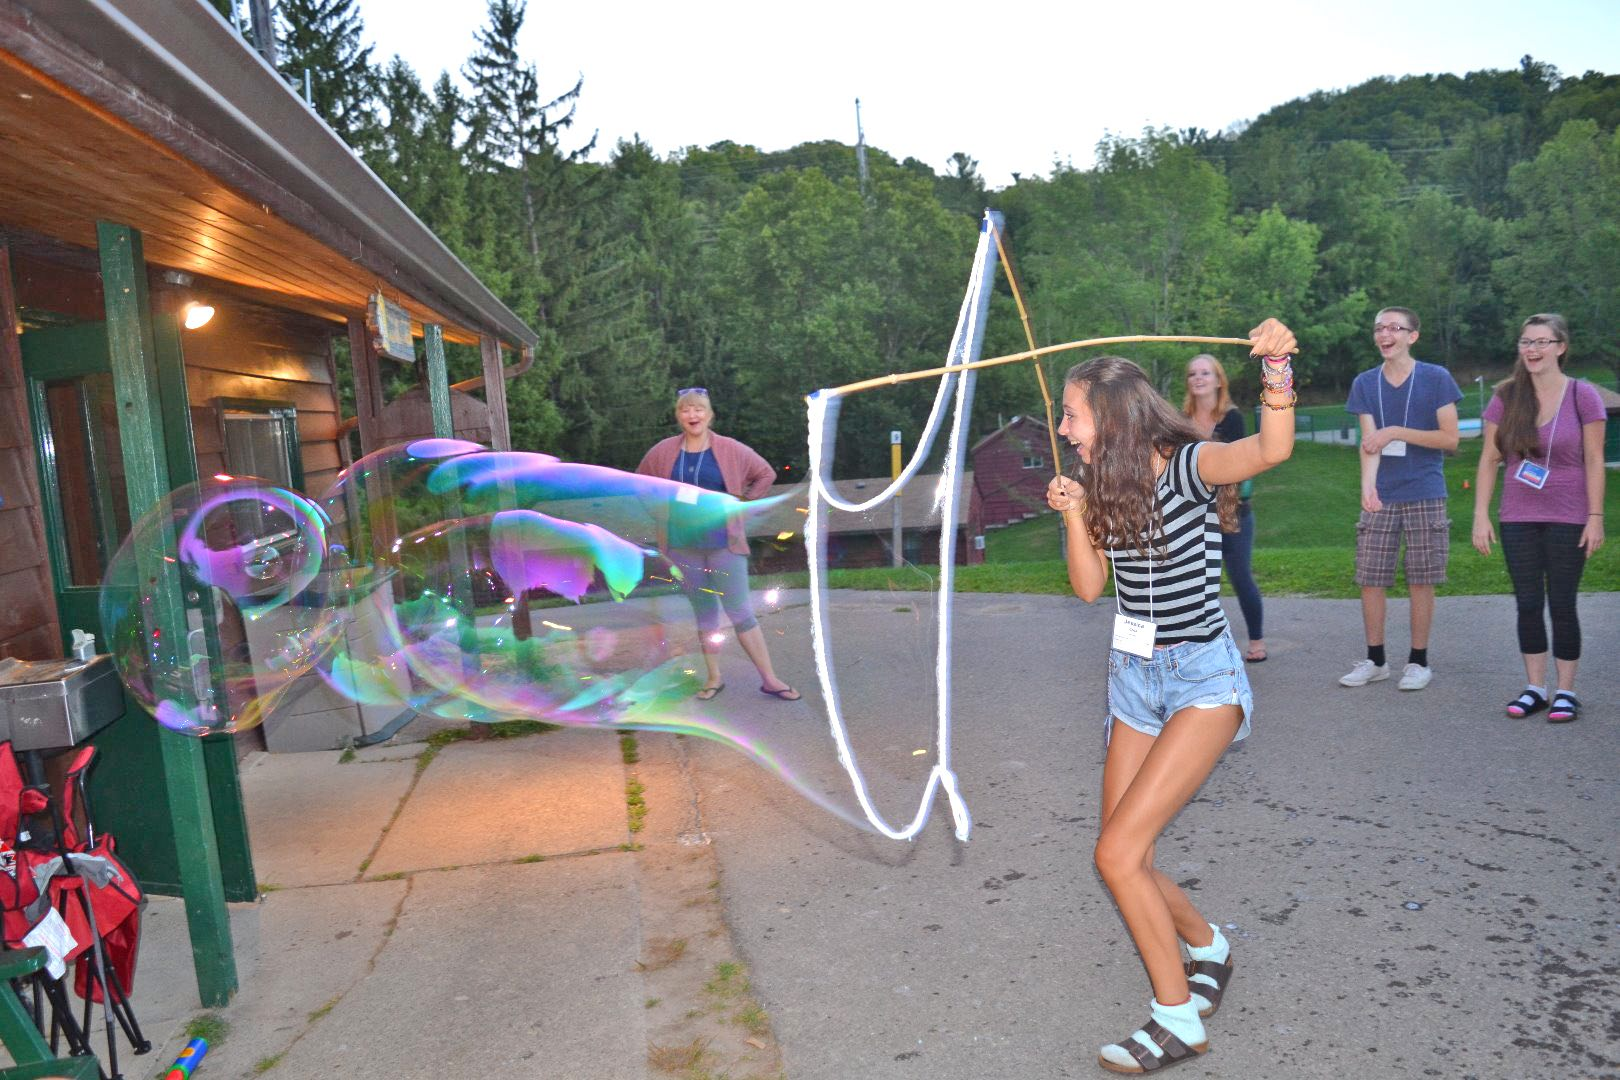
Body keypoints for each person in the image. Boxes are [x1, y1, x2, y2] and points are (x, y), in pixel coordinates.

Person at [1045, 319, 1297, 1074]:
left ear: (1113, 416)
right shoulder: (1099, 484)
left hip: (1201, 683)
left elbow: (1270, 449)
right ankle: (1209, 947)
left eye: (1071, 415)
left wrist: (1278, 367)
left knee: (1118, 852)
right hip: (1134, 683)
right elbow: (1091, 590)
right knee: (1129, 854)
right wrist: (1071, 516)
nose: (1063, 429)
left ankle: (1176, 1018)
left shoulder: (1186, 466)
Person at [1470, 315, 1606, 723]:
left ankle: (1566, 691)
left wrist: (1595, 516)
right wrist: (1481, 514)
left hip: (1569, 516)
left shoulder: (1583, 395)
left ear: (1561, 347)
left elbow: (1595, 459)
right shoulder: (1507, 396)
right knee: (1528, 604)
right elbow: (1490, 458)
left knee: (1562, 604)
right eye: (1525, 342)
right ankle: (1535, 688)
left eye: (1541, 342)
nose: (1532, 350)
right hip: (1518, 517)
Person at [635, 387, 800, 702]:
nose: (692, 415)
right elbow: (640, 484)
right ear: (678, 415)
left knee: (739, 611)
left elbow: (765, 474)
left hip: (724, 544)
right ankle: (713, 677)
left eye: (698, 409)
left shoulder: (729, 449)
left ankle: (770, 679)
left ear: (709, 414)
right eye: (685, 410)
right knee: (705, 613)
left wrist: (743, 504)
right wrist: (659, 512)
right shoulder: (663, 452)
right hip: (682, 546)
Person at [1340, 307, 1462, 692]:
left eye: (1394, 328)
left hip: (1425, 491)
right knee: (1370, 578)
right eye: (1379, 328)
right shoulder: (1364, 383)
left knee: (1421, 579)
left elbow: (1450, 439)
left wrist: (1397, 430)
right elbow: (1370, 443)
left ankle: (1418, 661)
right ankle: (1376, 660)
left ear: (1413, 336)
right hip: (1383, 494)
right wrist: (1367, 487)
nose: (1385, 334)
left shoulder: (1436, 378)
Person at [1183, 354, 1266, 662]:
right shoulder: (1181, 421)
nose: (1199, 378)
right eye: (1193, 374)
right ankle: (1202, 645)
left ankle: (1256, 641)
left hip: (1231, 512)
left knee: (1240, 576)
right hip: (1192, 513)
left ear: (1219, 380)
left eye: (1205, 373)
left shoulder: (1232, 418)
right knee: (1199, 580)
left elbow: (1234, 465)